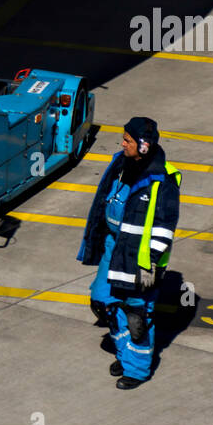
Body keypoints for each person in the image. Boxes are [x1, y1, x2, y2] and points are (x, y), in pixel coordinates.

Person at [77, 116, 181, 389]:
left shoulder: (163, 181)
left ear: (144, 146)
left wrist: (151, 267)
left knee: (136, 315)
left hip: (141, 259)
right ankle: (124, 356)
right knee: (104, 302)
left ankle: (137, 369)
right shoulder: (120, 163)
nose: (122, 143)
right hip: (115, 247)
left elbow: (163, 228)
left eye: (128, 140)